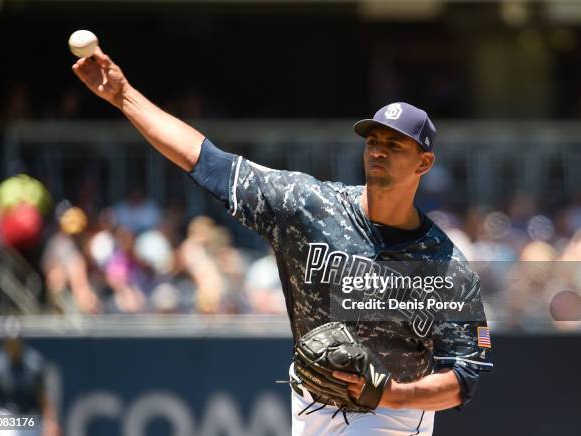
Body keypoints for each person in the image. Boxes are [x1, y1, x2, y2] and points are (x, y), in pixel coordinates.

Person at [72, 48, 493, 435]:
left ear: (424, 162)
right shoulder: (308, 206)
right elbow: (207, 160)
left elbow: (464, 376)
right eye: (373, 141)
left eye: (395, 144)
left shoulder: (444, 264)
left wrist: (390, 394)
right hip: (310, 407)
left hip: (393, 416)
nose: (378, 151)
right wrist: (125, 96)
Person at [0, 320, 59, 436]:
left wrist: (50, 423)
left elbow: (44, 399)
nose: (13, 346)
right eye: (10, 342)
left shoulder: (35, 364)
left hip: (31, 420)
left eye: (15, 342)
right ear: (4, 341)